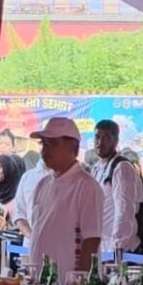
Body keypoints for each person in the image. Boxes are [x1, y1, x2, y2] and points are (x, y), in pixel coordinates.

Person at [28, 117, 103, 274]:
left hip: (66, 283)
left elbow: (91, 240)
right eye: (43, 144)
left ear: (72, 146)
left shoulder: (86, 186)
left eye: (52, 144)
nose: (45, 150)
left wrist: (80, 282)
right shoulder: (42, 185)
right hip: (39, 280)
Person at [90, 120, 143, 255]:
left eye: (106, 138)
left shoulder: (122, 168)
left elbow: (124, 211)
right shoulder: (97, 167)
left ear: (116, 141)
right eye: (97, 137)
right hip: (101, 247)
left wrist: (117, 248)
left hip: (118, 249)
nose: (100, 142)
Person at [12, 155, 51, 249]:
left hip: (63, 247)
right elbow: (19, 213)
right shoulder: (27, 177)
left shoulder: (71, 179)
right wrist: (32, 236)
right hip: (31, 247)